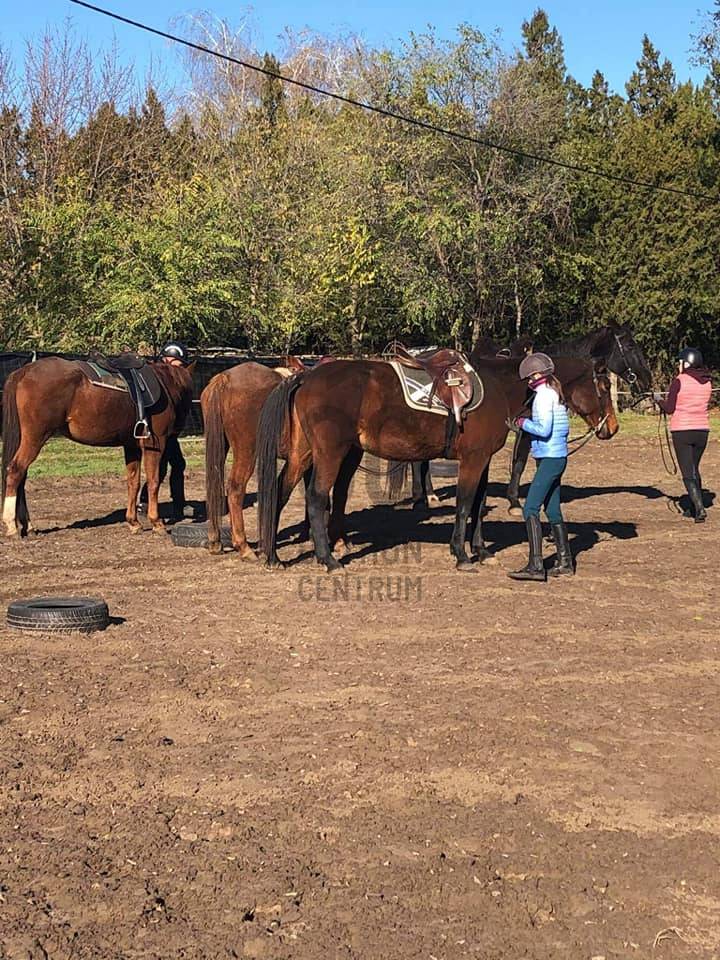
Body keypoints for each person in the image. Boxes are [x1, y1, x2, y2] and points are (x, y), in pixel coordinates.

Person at [508, 353, 572, 581]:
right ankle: (565, 562)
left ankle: (536, 566)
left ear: (537, 375)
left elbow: (544, 430)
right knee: (552, 510)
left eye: (529, 377)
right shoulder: (555, 393)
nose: (528, 381)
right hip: (556, 457)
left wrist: (522, 423)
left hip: (550, 459)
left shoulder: (543, 396)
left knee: (530, 508)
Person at [655, 347, 712, 523]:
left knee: (688, 472)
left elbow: (670, 408)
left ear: (686, 363)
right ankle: (693, 507)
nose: (678, 365)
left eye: (680, 362)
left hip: (683, 431)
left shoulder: (679, 381)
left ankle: (700, 509)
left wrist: (658, 400)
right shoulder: (707, 382)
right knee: (694, 468)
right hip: (702, 431)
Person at [139, 341, 192, 520]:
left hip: (168, 432)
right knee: (162, 466)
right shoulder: (158, 380)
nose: (172, 367)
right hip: (158, 431)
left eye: (176, 364)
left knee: (177, 463)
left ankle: (176, 503)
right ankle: (148, 503)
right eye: (168, 361)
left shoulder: (171, 382)